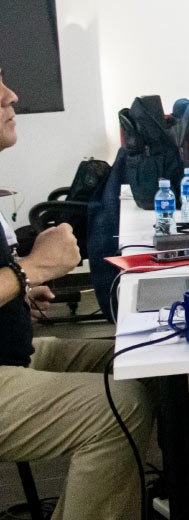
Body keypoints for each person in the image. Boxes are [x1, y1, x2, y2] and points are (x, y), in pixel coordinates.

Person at [0, 66, 156, 520]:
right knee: (121, 409)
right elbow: (22, 269)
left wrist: (17, 292)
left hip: (15, 353)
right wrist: (31, 268)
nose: (12, 95)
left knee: (143, 360)